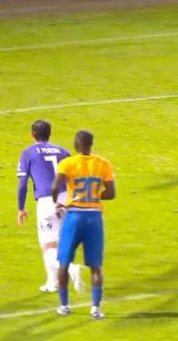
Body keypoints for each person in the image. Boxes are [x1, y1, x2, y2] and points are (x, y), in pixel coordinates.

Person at [51, 130, 114, 320]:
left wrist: (57, 203)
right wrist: (95, 196)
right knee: (95, 266)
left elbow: (55, 187)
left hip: (74, 216)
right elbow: (111, 194)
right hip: (94, 217)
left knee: (64, 262)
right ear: (91, 144)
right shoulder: (103, 164)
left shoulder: (67, 163)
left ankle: (64, 306)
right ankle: (95, 309)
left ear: (76, 145)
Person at [16, 120, 83, 293]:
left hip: (47, 201)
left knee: (48, 245)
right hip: (66, 199)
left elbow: (23, 183)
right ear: (50, 133)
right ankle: (53, 283)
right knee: (58, 243)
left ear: (33, 135)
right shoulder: (64, 151)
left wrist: (21, 207)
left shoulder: (28, 153)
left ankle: (70, 269)